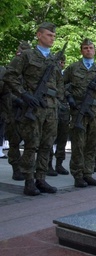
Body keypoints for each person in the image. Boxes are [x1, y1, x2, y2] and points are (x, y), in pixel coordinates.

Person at [3, 22, 64, 195]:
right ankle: (29, 181)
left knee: (46, 145)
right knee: (31, 145)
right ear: (39, 35)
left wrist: (58, 100)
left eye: (53, 35)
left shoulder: (54, 59)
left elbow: (59, 83)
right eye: (48, 35)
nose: (52, 38)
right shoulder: (27, 56)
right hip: (33, 108)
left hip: (51, 109)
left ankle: (41, 178)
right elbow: (10, 76)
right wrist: (24, 95)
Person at [2, 41, 31, 180]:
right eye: (21, 52)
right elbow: (5, 89)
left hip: (27, 110)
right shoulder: (10, 69)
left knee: (30, 141)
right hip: (12, 110)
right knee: (14, 142)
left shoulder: (31, 72)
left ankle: (27, 168)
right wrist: (17, 99)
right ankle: (16, 168)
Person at [47, 53, 70, 176]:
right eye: (59, 62)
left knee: (62, 138)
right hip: (53, 106)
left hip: (64, 109)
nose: (60, 64)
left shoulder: (64, 75)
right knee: (50, 137)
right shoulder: (50, 73)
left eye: (62, 62)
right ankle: (48, 164)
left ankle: (59, 164)